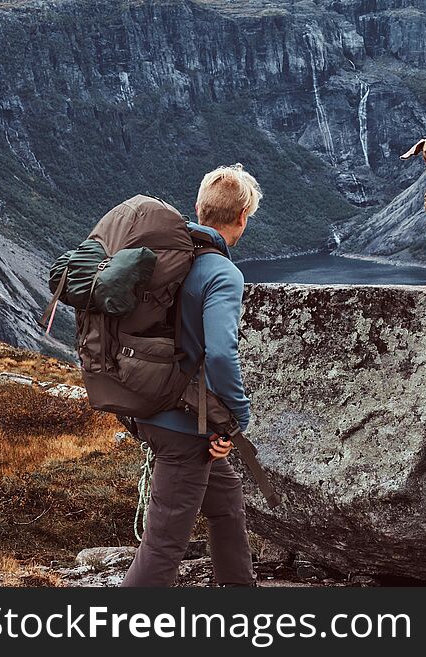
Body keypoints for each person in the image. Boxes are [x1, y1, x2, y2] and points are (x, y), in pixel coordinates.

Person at [122, 164, 262, 587]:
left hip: (142, 403)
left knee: (225, 497)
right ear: (242, 217)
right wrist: (237, 416)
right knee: (164, 544)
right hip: (181, 424)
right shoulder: (222, 273)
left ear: (199, 209)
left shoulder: (161, 258)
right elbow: (220, 353)